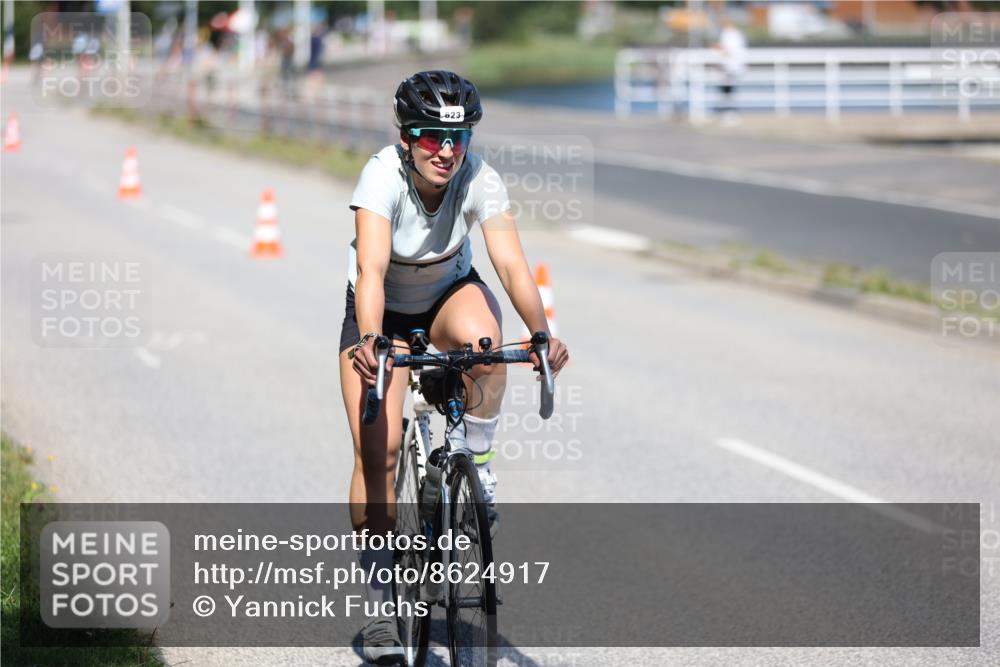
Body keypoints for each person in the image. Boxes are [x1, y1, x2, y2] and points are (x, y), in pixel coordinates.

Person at [339, 70, 569, 664]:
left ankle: (480, 471)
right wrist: (370, 339)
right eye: (429, 136)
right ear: (405, 137)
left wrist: (541, 333)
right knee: (379, 454)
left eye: (458, 137)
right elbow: (369, 273)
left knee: (489, 346)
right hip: (380, 313)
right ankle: (380, 598)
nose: (446, 150)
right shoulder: (380, 176)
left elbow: (512, 265)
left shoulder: (478, 176)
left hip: (446, 294)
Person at [715, 19, 747, 123]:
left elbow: (729, 51)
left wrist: (718, 50)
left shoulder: (730, 34)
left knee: (728, 90)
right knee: (728, 90)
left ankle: (730, 113)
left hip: (730, 66)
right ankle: (729, 112)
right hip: (732, 66)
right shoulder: (736, 34)